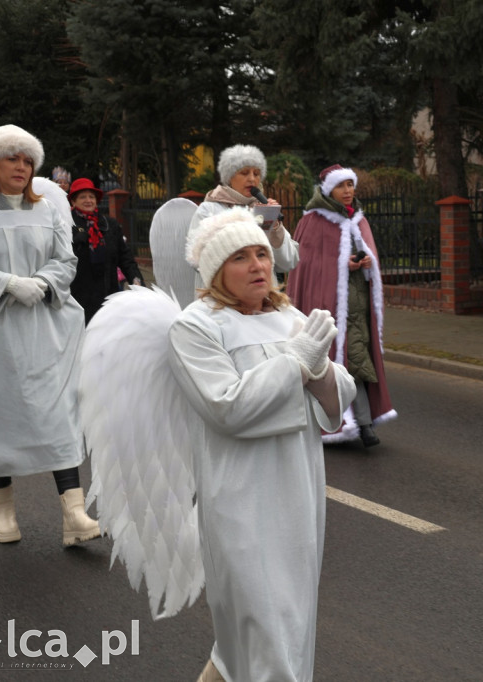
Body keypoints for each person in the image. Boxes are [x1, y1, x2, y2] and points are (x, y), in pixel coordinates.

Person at [172, 207, 356, 682]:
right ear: (215, 272)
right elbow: (227, 407)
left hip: (298, 489)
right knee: (266, 633)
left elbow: (338, 395)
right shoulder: (195, 327)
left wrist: (319, 370)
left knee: (278, 628)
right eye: (240, 257)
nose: (258, 265)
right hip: (240, 497)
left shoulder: (287, 315)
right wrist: (297, 361)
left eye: (260, 253)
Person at [0, 124, 99, 546]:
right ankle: (4, 508)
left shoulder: (49, 210)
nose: (22, 166)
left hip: (43, 327)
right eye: (13, 157)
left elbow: (65, 261)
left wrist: (45, 283)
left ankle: (74, 511)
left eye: (28, 159)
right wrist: (9, 285)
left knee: (58, 411)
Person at [285, 165, 396, 447]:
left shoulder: (358, 219)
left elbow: (369, 254)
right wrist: (341, 266)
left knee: (358, 362)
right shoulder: (313, 220)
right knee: (334, 364)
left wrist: (367, 263)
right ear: (328, 189)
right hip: (327, 306)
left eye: (350, 185)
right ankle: (348, 423)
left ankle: (363, 423)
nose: (348, 191)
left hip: (357, 305)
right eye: (341, 186)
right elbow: (307, 265)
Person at [187, 144, 298, 289]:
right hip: (223, 300)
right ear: (229, 177)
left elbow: (288, 262)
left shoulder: (263, 210)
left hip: (261, 301)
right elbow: (198, 261)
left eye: (257, 174)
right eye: (244, 173)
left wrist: (275, 228)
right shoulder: (209, 210)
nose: (252, 179)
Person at [67, 177, 143, 324]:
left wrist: (135, 280)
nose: (88, 200)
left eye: (91, 196)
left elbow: (125, 257)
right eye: (82, 197)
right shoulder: (66, 224)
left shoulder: (109, 224)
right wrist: (76, 241)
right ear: (73, 202)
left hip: (108, 295)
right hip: (78, 297)